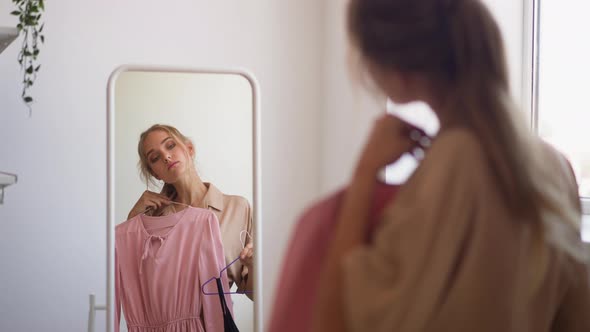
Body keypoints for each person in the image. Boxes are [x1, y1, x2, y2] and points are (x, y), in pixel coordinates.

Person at [309, 0, 590, 331]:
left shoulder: (453, 167)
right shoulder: (554, 168)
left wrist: (363, 176)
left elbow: (335, 320)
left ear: (395, 66)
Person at [127, 124, 254, 299]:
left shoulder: (237, 208)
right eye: (155, 157)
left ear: (189, 148)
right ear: (155, 173)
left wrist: (254, 265)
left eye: (170, 145)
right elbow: (129, 281)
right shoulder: (151, 220)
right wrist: (132, 219)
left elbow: (254, 293)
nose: (166, 156)